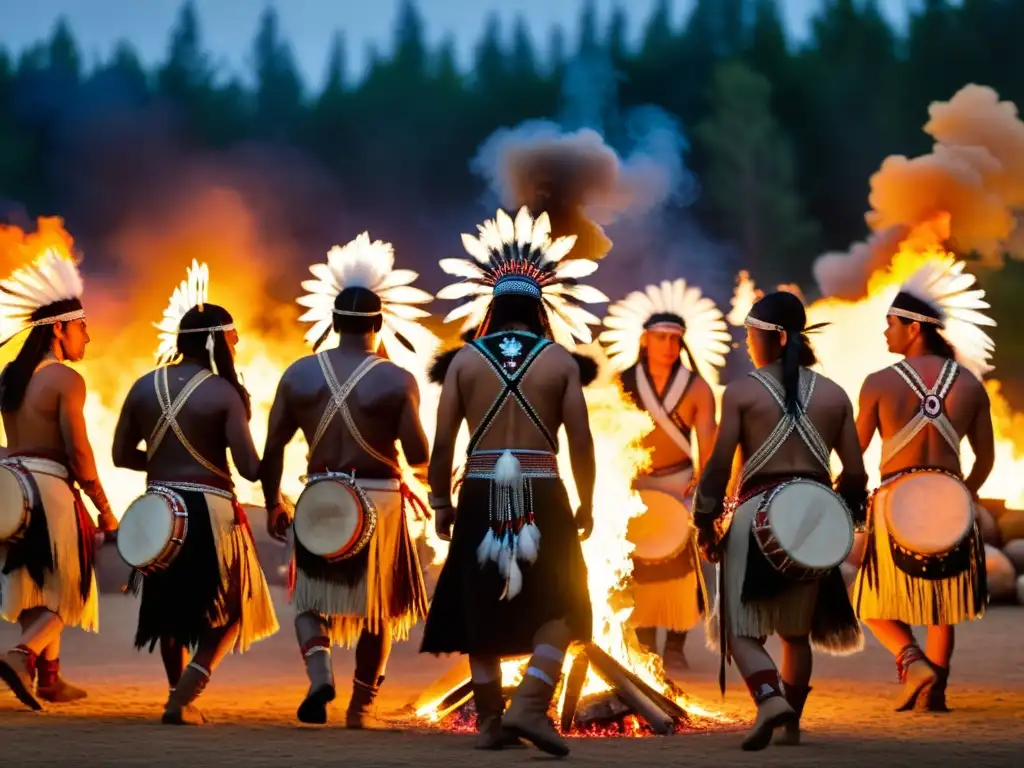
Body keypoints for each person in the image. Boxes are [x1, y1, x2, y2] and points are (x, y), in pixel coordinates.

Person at [421, 206, 607, 757]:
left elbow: (443, 443)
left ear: (493, 308)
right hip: (542, 488)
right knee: (564, 602)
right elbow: (581, 441)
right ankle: (532, 702)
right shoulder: (559, 361)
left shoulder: (463, 362)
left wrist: (439, 501)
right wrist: (588, 501)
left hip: (478, 488)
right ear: (541, 309)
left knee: (481, 600)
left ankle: (491, 724)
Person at [262, 233, 437, 728]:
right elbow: (419, 454)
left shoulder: (298, 375)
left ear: (333, 324)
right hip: (379, 501)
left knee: (310, 600)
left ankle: (320, 673)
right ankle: (360, 710)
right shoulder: (396, 379)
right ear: (379, 325)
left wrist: (274, 501)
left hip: (320, 497)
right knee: (378, 610)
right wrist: (426, 477)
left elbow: (272, 450)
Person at [692, 291, 867, 751]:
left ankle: (769, 700)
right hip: (813, 516)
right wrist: (840, 523)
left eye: (751, 334)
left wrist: (705, 520)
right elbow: (855, 473)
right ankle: (791, 724)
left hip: (755, 517)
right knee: (796, 632)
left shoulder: (743, 392)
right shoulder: (834, 395)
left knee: (739, 630)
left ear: (775, 337)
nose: (747, 343)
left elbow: (716, 467)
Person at [111, 260, 279, 725]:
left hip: (158, 508)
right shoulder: (224, 393)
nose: (238, 344)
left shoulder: (144, 386)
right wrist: (278, 453)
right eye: (232, 336)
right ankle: (185, 694)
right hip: (209, 512)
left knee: (168, 610)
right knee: (232, 611)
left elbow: (121, 455)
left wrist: (166, 469)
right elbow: (248, 469)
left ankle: (175, 694)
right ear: (215, 340)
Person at [852, 260, 995, 713]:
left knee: (867, 601)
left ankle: (912, 661)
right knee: (943, 604)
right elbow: (986, 458)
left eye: (890, 324)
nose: (885, 333)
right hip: (952, 502)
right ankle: (936, 691)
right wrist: (964, 494)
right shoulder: (971, 384)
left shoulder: (878, 383)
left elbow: (855, 455)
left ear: (914, 329)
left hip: (897, 503)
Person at [0, 235, 117, 710]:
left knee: (34, 583)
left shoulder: (10, 376)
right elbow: (79, 451)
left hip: (9, 487)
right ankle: (20, 654)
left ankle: (50, 678)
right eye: (82, 327)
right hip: (48, 488)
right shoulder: (66, 379)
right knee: (70, 588)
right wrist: (104, 509)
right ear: (60, 329)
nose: (87, 336)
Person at [599, 279, 731, 673]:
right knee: (633, 564)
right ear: (644, 340)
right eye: (661, 338)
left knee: (683, 564)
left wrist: (705, 482)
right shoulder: (621, 383)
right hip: (633, 483)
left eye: (676, 339)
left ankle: (675, 643)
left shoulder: (696, 388)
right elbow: (606, 430)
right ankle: (642, 642)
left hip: (680, 481)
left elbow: (708, 439)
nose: (670, 346)